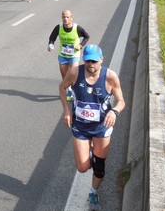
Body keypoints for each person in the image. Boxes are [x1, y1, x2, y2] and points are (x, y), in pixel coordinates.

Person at [59, 44, 125, 211]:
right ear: (84, 60)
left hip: (101, 128)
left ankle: (93, 192)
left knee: (99, 167)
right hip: (80, 127)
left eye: (95, 61)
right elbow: (62, 87)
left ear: (101, 59)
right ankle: (90, 153)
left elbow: (121, 101)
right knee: (82, 167)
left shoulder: (110, 77)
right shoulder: (74, 73)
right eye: (88, 61)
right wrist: (67, 110)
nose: (91, 64)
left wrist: (115, 111)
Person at [47, 10, 90, 99]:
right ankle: (69, 90)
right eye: (64, 17)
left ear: (71, 18)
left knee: (74, 73)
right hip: (63, 55)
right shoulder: (58, 27)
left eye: (67, 17)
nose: (65, 19)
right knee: (65, 75)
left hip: (74, 55)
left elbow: (87, 36)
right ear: (61, 18)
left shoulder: (77, 28)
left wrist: (80, 45)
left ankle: (76, 91)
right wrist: (50, 45)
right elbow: (52, 38)